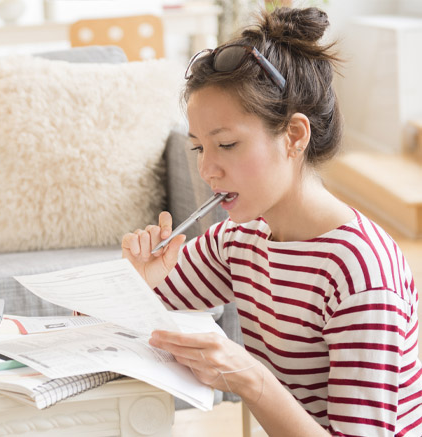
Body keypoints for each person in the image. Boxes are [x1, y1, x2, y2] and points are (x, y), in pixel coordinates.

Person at [121, 6, 421, 436]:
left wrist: (252, 379)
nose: (207, 170)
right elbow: (129, 322)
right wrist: (140, 282)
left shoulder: (361, 275)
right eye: (199, 149)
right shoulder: (241, 237)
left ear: (295, 136)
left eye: (226, 144)